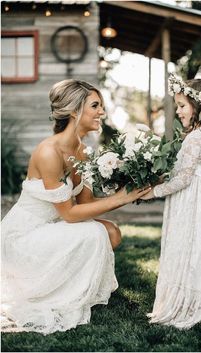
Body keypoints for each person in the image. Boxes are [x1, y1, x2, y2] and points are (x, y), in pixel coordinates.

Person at [1, 79, 151, 334]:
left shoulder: (84, 151)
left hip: (55, 224)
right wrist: (121, 199)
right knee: (95, 233)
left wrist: (128, 189)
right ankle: (47, 289)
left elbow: (86, 204)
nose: (102, 112)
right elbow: (70, 215)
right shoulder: (49, 152)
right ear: (74, 110)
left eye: (101, 106)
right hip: (25, 235)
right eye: (95, 106)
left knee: (112, 232)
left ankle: (69, 284)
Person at [141, 75, 201, 329]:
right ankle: (190, 296)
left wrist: (153, 192)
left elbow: (183, 180)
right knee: (194, 246)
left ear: (199, 106)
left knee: (186, 243)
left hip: (193, 199)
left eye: (181, 106)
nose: (177, 112)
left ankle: (184, 301)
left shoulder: (196, 137)